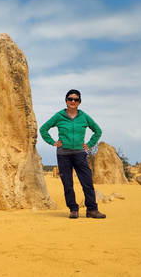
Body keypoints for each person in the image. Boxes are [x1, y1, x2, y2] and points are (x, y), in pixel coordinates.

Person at [39, 89, 106, 219]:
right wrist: (53, 142)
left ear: (79, 102)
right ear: (66, 101)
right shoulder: (59, 116)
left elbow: (97, 130)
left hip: (80, 154)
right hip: (63, 154)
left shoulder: (84, 117)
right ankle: (73, 210)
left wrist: (90, 143)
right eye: (70, 99)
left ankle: (92, 210)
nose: (73, 101)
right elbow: (43, 129)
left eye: (76, 99)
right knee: (68, 183)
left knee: (87, 182)